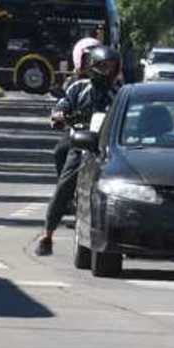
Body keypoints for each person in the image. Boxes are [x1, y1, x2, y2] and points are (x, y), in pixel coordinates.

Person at [36, 45, 120, 256]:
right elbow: (62, 105)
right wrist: (59, 115)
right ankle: (47, 235)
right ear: (93, 66)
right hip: (80, 142)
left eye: (112, 67)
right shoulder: (78, 87)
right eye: (104, 66)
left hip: (106, 147)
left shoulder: (119, 94)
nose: (108, 71)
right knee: (64, 185)